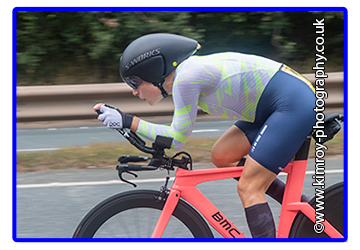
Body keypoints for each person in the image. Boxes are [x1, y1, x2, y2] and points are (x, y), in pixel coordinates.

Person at [93, 33, 315, 238]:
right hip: (274, 107)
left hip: (292, 105)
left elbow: (176, 138)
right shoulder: (186, 75)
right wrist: (128, 122)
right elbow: (176, 136)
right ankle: (305, 211)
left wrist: (129, 121)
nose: (133, 91)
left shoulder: (186, 78)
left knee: (250, 187)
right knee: (222, 155)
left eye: (134, 82)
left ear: (153, 71)